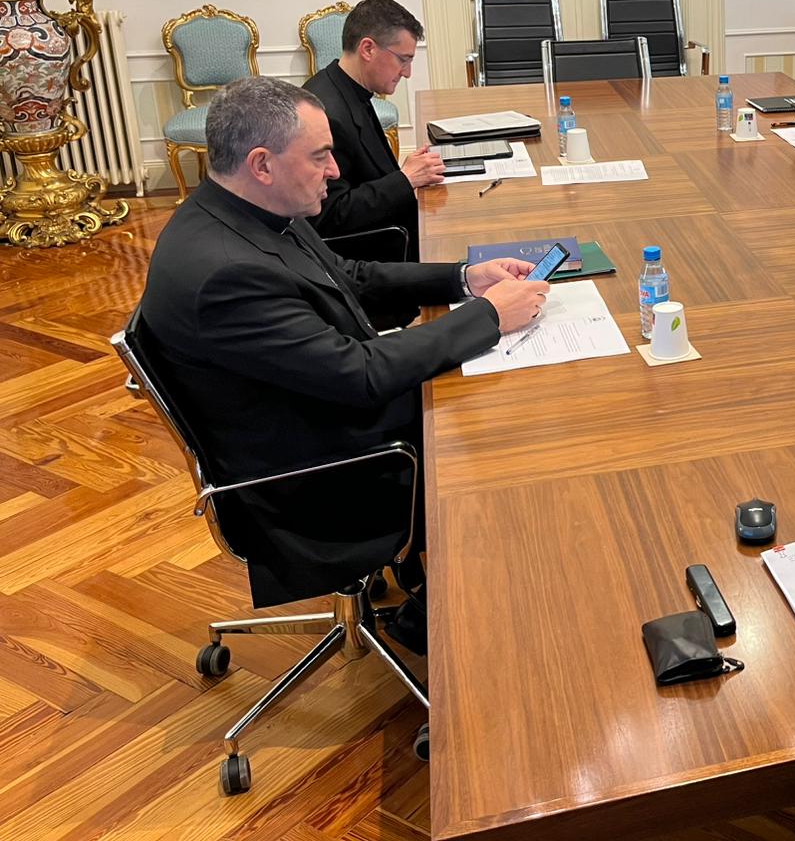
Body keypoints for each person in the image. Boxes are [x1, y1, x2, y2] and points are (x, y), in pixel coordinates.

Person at [140, 77, 548, 652]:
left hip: (316, 413)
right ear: (262, 164)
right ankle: (449, 619)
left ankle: (434, 584)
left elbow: (348, 277)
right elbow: (362, 375)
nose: (334, 171)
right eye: (319, 156)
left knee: (481, 388)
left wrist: (462, 278)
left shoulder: (247, 210)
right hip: (313, 478)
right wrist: (489, 315)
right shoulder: (226, 273)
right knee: (499, 427)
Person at [304, 0, 444, 259]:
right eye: (403, 60)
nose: (407, 73)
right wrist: (405, 179)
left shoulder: (347, 88)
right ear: (368, 49)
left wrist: (407, 172)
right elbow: (331, 214)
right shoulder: (326, 115)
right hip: (374, 254)